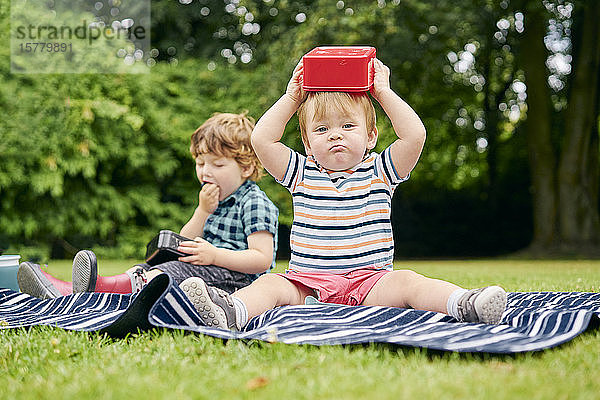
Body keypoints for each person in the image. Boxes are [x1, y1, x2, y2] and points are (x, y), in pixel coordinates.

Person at [179, 56, 508, 330]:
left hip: (370, 285)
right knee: (270, 285)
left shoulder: (381, 171)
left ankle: (465, 303)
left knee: (409, 282)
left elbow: (414, 135)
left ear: (370, 136)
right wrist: (293, 96)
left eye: (347, 126)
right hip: (306, 284)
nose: (335, 135)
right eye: (322, 130)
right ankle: (230, 311)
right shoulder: (301, 173)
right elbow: (262, 140)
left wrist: (382, 92)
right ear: (307, 144)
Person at [17, 112, 279, 299]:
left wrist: (215, 256)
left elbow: (262, 259)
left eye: (217, 164)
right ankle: (88, 289)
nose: (205, 172)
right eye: (200, 164)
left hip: (238, 283)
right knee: (149, 269)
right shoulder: (211, 200)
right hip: (207, 270)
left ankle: (92, 291)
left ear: (246, 167)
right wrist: (202, 212)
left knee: (166, 275)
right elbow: (185, 241)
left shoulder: (254, 202)